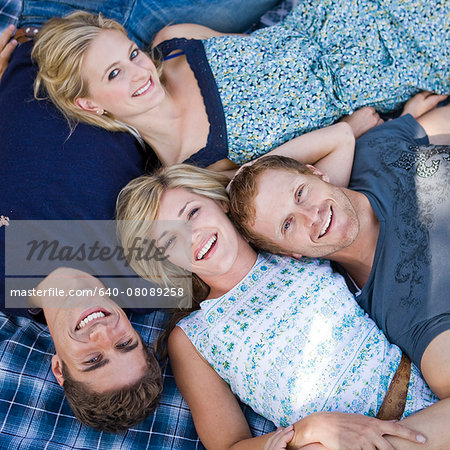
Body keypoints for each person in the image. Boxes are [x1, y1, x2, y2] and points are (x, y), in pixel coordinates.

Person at [115, 163, 450, 450]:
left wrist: (239, 180)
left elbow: (326, 160)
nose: (193, 236)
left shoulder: (286, 238)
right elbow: (229, 446)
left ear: (220, 203)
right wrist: (307, 430)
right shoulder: (192, 338)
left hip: (426, 407)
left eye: (192, 213)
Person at [31, 0, 448, 176]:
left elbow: (270, 43)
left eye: (131, 55)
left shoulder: (173, 42)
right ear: (89, 104)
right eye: (113, 75)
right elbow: (314, 182)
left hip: (336, 11)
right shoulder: (197, 169)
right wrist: (368, 130)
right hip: (384, 70)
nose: (140, 73)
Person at [228, 94, 450, 404]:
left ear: (317, 172)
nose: (311, 216)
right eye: (288, 225)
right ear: (288, 253)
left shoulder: (376, 148)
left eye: (301, 193)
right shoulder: (404, 308)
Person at [0, 267, 163, 432]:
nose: (102, 333)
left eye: (93, 359)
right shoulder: (147, 279)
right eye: (124, 344)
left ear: (59, 369)